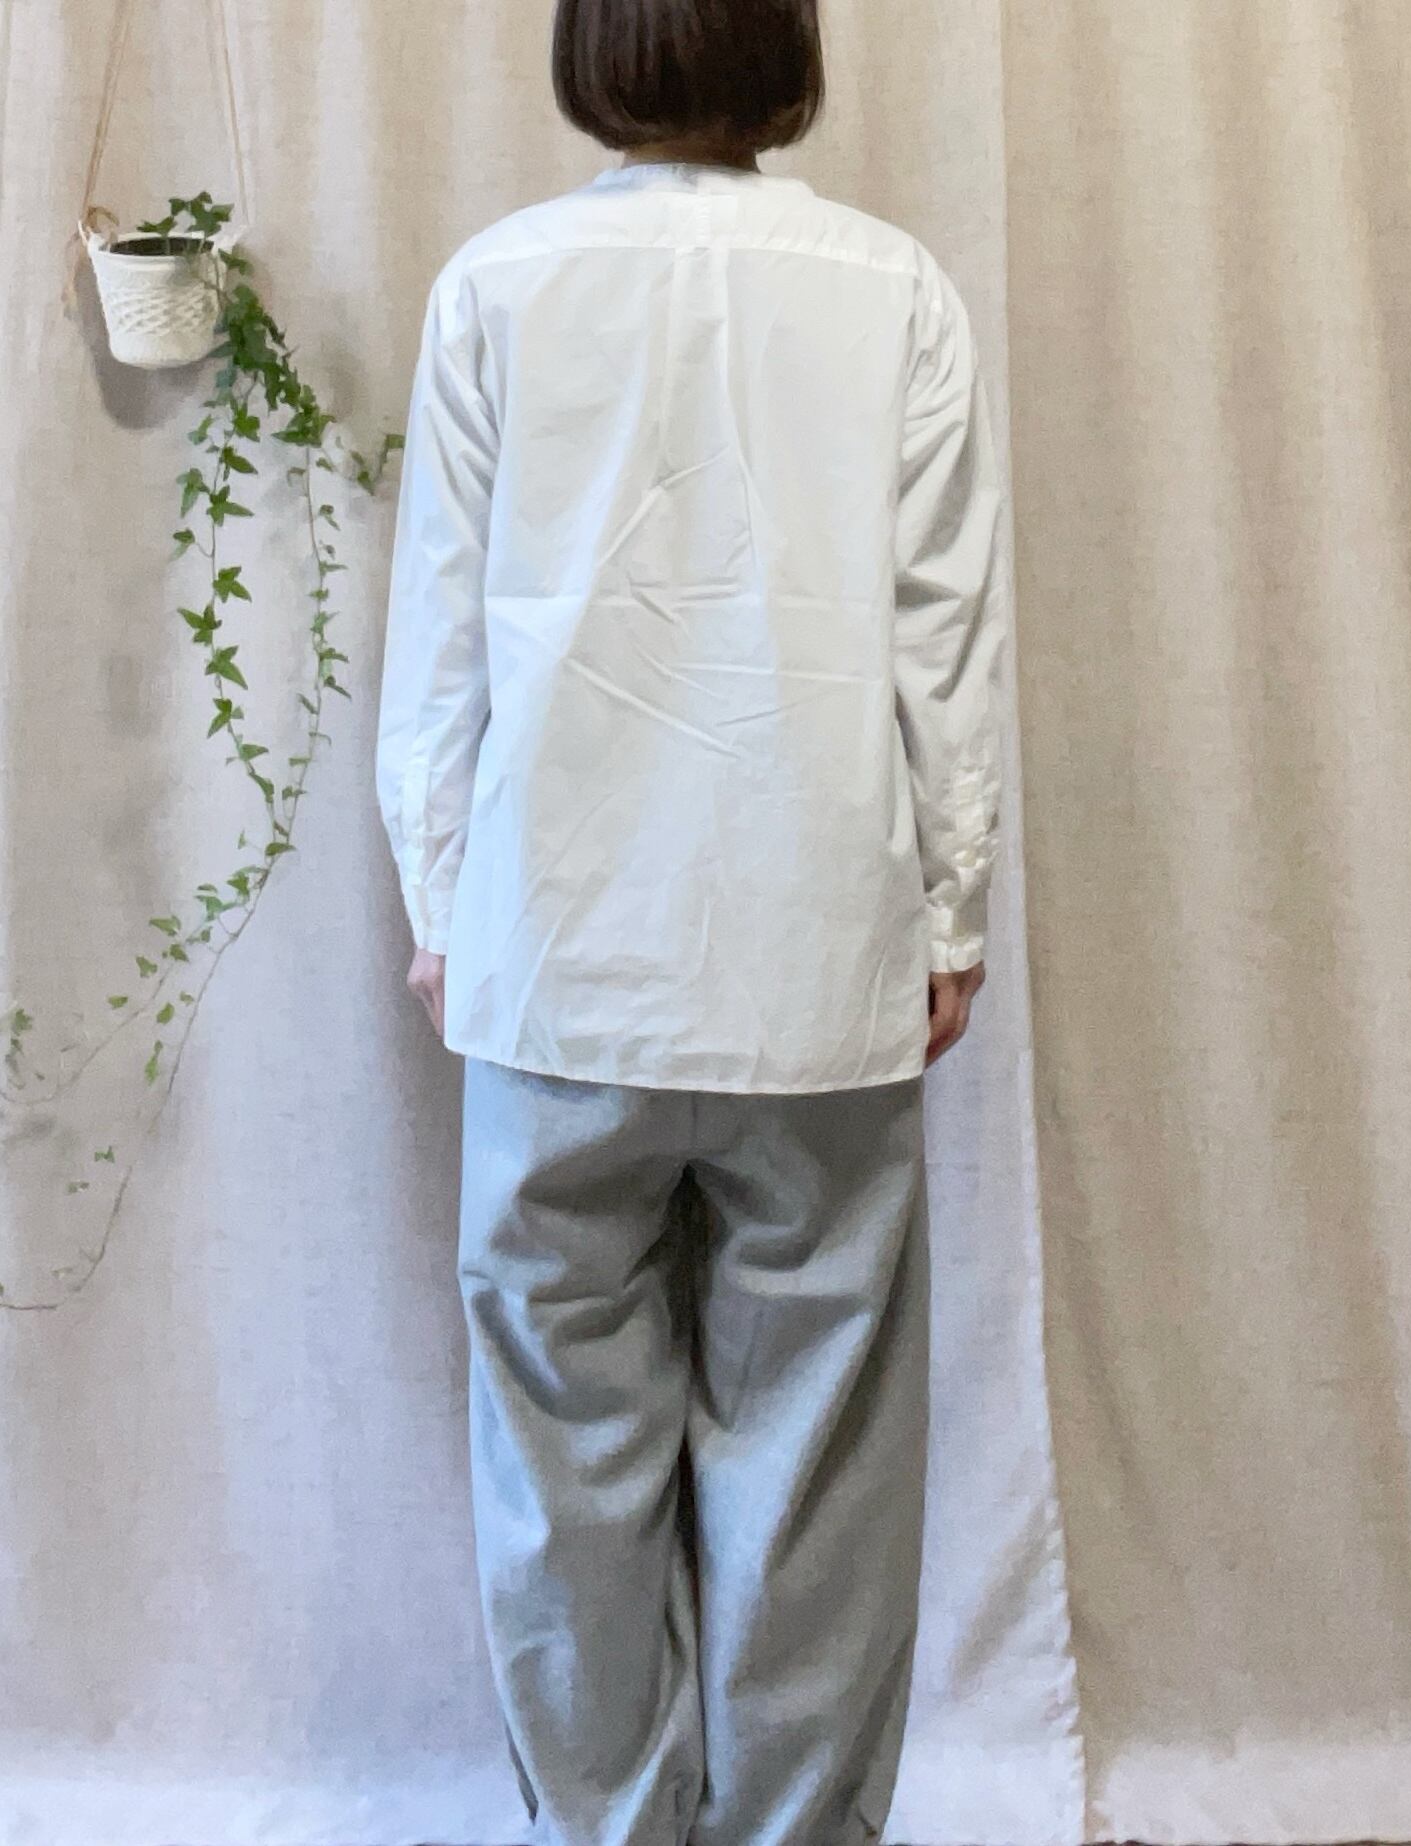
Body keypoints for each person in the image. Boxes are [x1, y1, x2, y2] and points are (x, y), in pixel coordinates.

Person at [372, 1, 1007, 1842]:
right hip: (818, 955)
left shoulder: (497, 287)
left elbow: (441, 642)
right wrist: (946, 910)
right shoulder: (894, 290)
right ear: (785, 51)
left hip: (558, 954)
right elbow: (942, 639)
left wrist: (444, 899)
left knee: (557, 1448)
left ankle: (605, 1829)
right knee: (816, 1445)